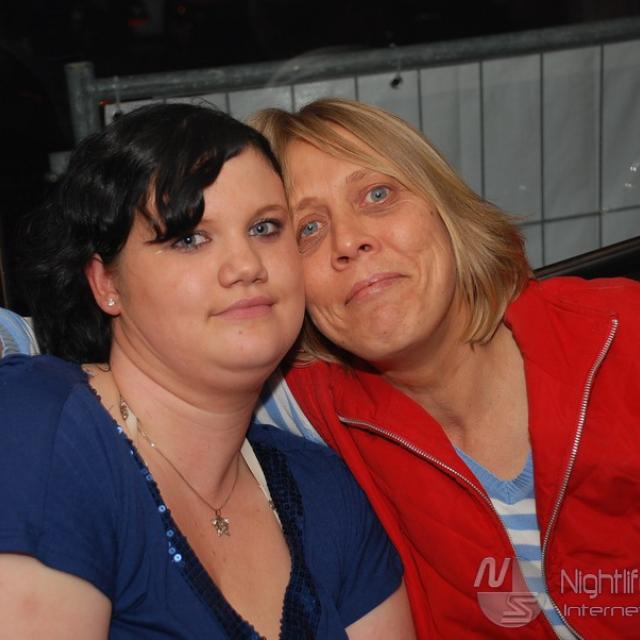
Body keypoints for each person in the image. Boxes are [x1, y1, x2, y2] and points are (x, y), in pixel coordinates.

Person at [0, 103, 415, 639]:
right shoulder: (43, 428)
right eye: (190, 238)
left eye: (265, 228)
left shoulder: (324, 491)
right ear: (107, 283)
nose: (246, 266)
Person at [250, 98, 640, 639]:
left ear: (444, 208)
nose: (348, 241)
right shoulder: (303, 405)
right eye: (308, 229)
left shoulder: (622, 336)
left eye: (378, 195)